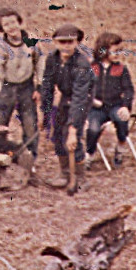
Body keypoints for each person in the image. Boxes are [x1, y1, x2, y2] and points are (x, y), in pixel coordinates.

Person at [40, 23, 94, 191]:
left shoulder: (82, 64)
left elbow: (79, 98)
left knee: (72, 137)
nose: (66, 46)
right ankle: (64, 173)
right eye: (62, 42)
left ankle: (80, 177)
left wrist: (73, 128)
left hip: (82, 100)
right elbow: (47, 87)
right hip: (65, 97)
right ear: (56, 42)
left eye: (70, 42)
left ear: (77, 42)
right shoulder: (52, 59)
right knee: (57, 134)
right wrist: (45, 114)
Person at [0, 8, 45, 160]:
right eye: (6, 25)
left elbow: (40, 63)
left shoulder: (31, 40)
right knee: (0, 123)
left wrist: (39, 87)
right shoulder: (1, 47)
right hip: (7, 88)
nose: (11, 27)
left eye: (13, 22)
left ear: (19, 22)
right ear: (1, 28)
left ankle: (30, 158)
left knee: (30, 123)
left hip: (27, 87)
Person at [85, 32, 135, 168]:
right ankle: (89, 153)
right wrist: (91, 101)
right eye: (115, 51)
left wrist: (125, 106)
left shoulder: (121, 69)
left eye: (120, 50)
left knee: (121, 119)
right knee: (93, 128)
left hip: (115, 105)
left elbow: (129, 90)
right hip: (96, 108)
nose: (118, 54)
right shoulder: (92, 68)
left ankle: (121, 146)